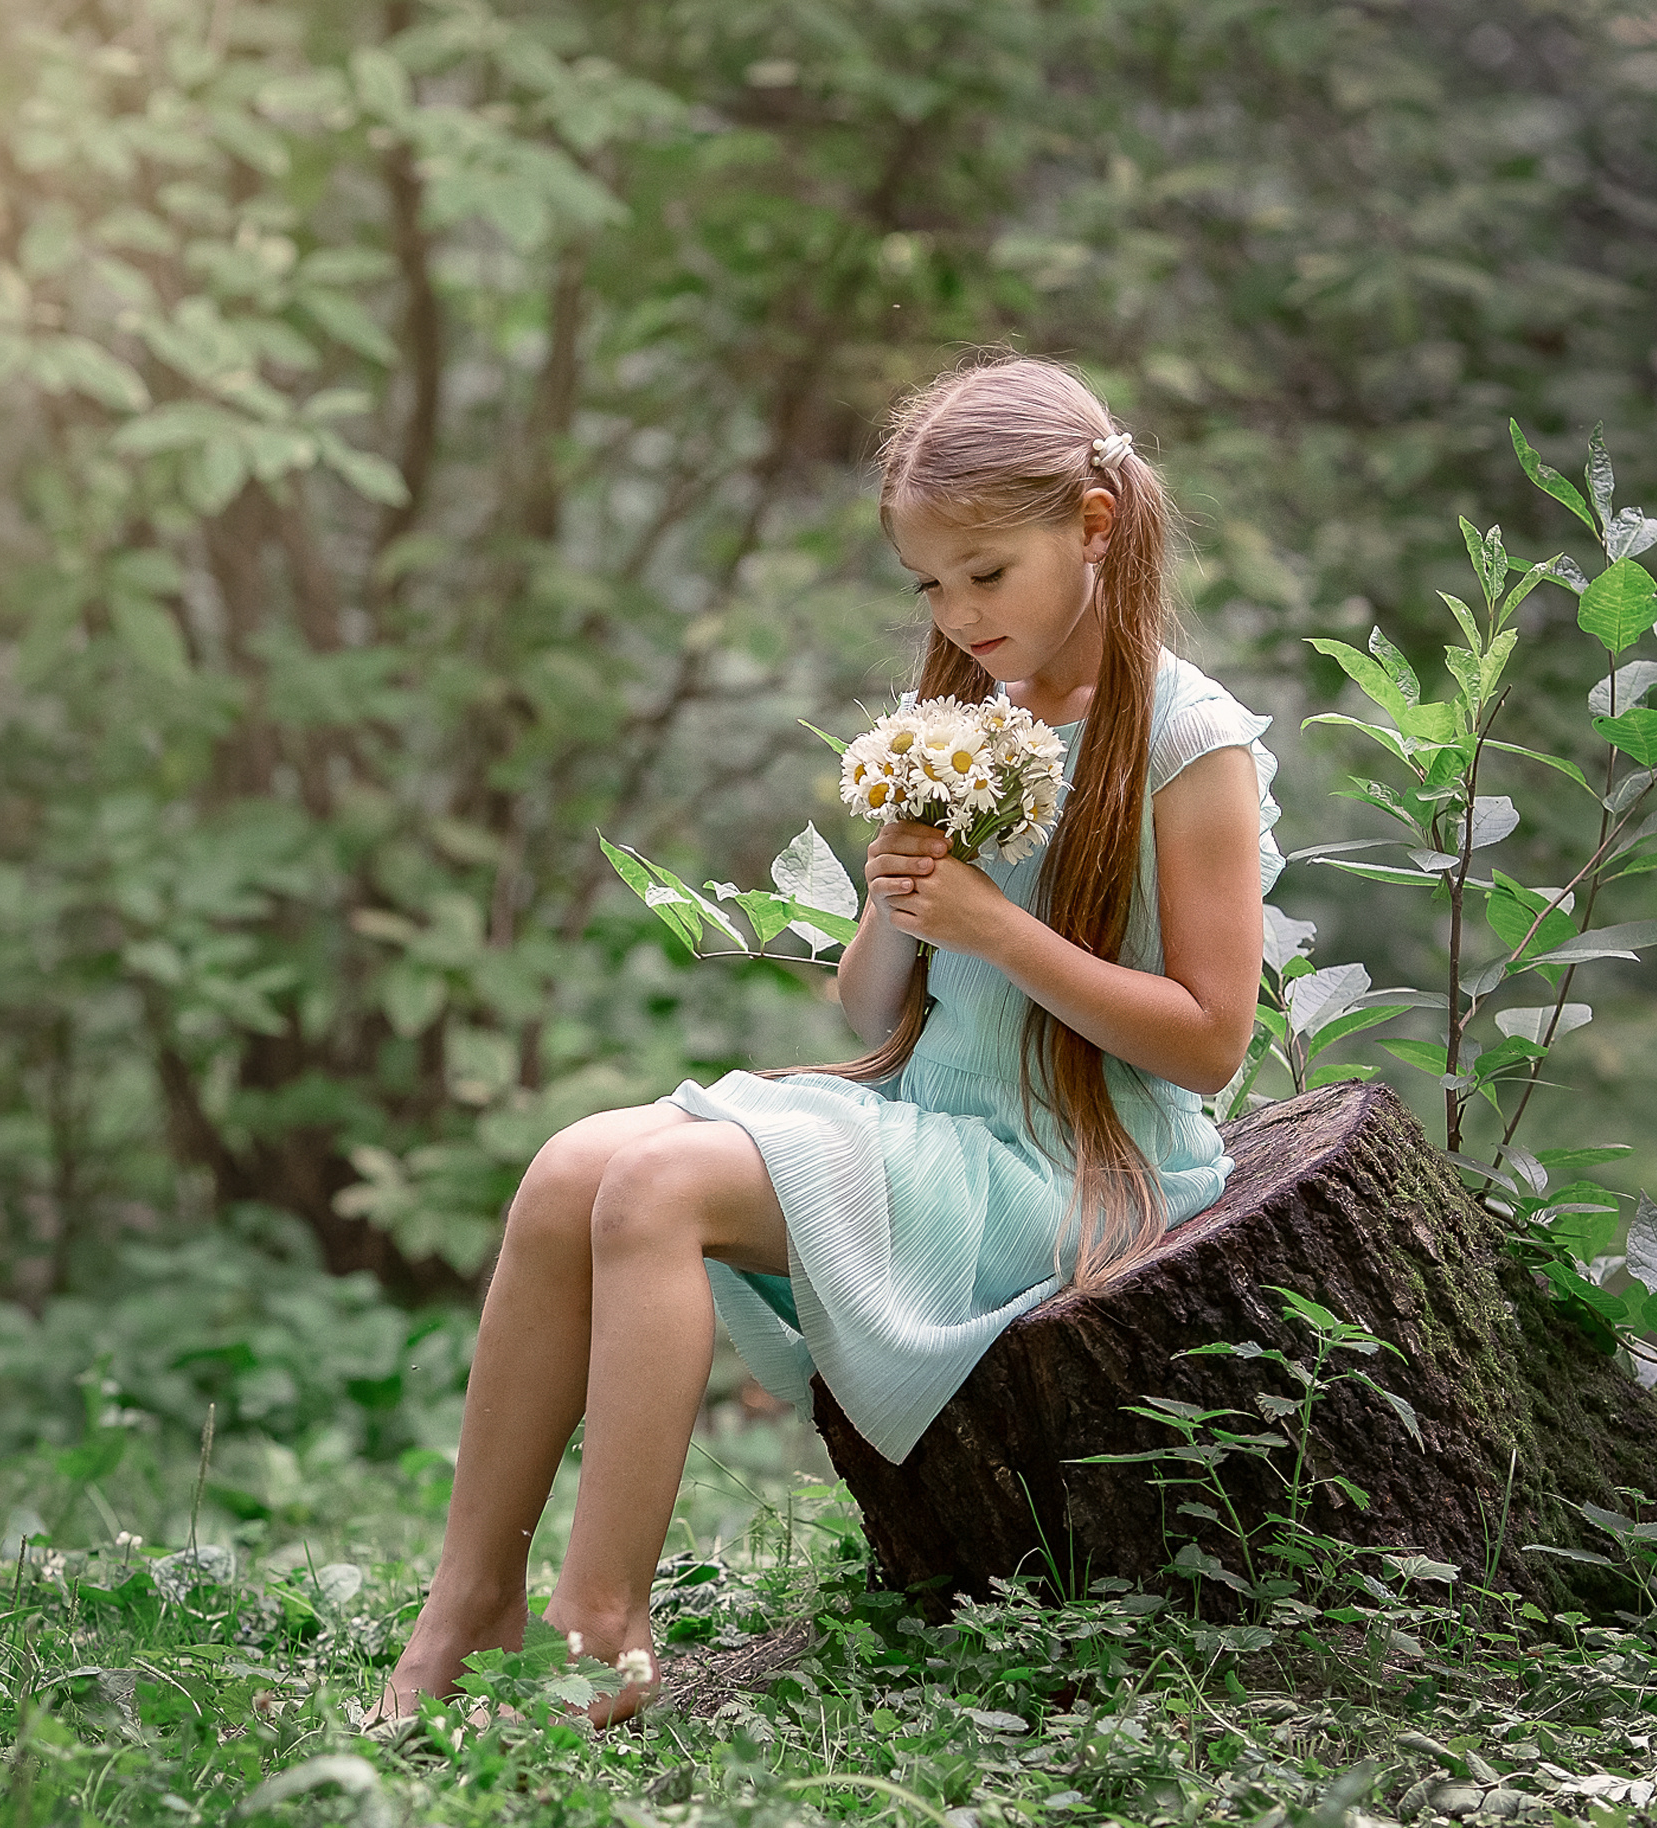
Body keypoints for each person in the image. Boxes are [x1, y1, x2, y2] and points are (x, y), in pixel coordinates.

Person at [380, 355, 1281, 1726]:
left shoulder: (1185, 739)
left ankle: (600, 1624)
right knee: (572, 1166)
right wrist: (901, 899)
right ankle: (469, 1603)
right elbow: (872, 1017)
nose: (957, 613)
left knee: (661, 1184)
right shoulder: (979, 717)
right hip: (933, 1118)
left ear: (1094, 527)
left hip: (1082, 1169)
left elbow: (1211, 1046)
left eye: (986, 574)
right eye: (928, 586)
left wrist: (994, 927)